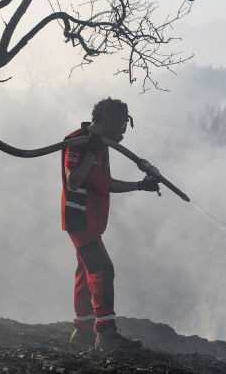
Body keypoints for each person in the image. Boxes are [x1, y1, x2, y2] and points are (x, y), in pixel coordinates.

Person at [62, 98, 160, 350]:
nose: (123, 131)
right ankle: (106, 333)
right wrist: (91, 151)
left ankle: (83, 330)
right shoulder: (78, 142)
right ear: (105, 121)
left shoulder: (102, 145)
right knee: (102, 269)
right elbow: (74, 180)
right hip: (79, 217)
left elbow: (106, 184)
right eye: (120, 124)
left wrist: (140, 185)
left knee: (86, 270)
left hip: (93, 220)